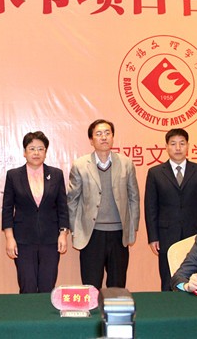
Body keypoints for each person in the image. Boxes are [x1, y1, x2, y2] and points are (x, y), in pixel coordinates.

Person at [68, 119, 140, 289]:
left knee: (117, 285)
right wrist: (75, 229)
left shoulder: (126, 163)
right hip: (91, 234)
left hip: (119, 234)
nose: (104, 137)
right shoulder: (80, 165)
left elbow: (134, 197)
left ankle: (115, 308)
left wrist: (132, 228)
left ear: (113, 137)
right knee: (91, 285)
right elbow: (72, 200)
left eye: (108, 133)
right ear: (91, 140)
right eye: (99, 134)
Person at [145, 128, 197, 291]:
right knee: (167, 278)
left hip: (195, 235)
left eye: (182, 143)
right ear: (166, 147)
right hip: (166, 235)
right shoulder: (155, 173)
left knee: (196, 278)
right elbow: (151, 207)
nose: (178, 148)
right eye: (173, 144)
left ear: (188, 146)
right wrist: (153, 237)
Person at [2, 131, 69, 293]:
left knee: (47, 286)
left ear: (46, 152)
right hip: (23, 240)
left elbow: (63, 207)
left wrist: (63, 234)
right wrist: (10, 238)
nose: (36, 153)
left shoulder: (56, 174)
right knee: (27, 286)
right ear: (24, 152)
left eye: (40, 149)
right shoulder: (13, 175)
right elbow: (7, 209)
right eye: (32, 149)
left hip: (50, 240)